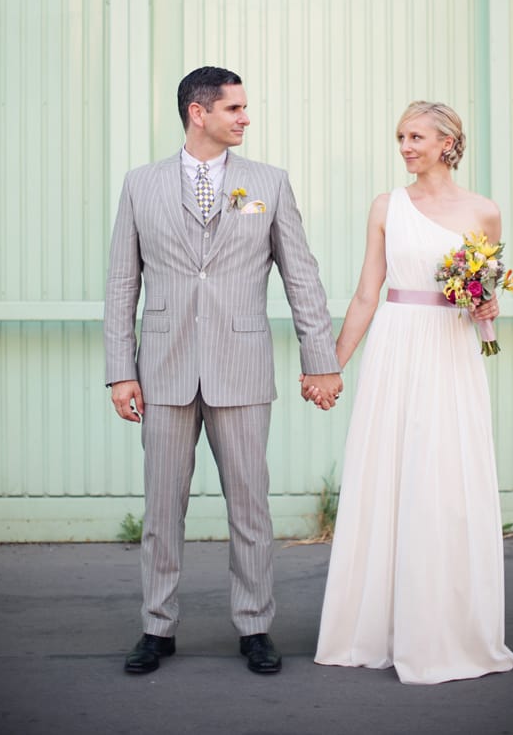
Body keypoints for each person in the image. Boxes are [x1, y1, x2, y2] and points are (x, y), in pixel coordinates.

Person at [104, 66, 342, 676]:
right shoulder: (140, 185)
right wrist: (120, 371)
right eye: (234, 108)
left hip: (242, 368)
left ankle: (255, 626)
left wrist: (321, 361)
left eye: (244, 108)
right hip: (162, 370)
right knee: (161, 508)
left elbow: (302, 277)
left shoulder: (269, 183)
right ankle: (157, 627)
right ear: (197, 112)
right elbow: (120, 286)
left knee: (250, 507)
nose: (245, 118)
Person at [308, 101, 513, 684]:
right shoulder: (387, 206)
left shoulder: (484, 212)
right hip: (396, 349)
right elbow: (364, 295)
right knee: (387, 475)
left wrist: (488, 303)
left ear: (448, 143)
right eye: (400, 136)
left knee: (446, 480)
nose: (405, 146)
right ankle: (374, 627)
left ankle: (444, 627)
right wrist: (330, 366)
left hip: (452, 353)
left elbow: (485, 292)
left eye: (417, 137)